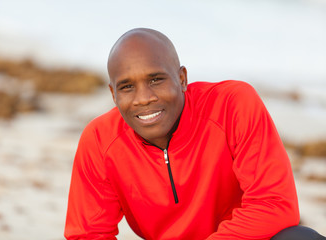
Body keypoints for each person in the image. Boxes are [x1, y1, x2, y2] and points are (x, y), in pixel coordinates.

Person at [64, 28, 326, 240]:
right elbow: (87, 234)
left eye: (156, 79)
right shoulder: (99, 141)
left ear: (182, 78)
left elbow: (275, 204)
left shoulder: (233, 105)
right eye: (127, 86)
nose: (143, 98)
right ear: (113, 94)